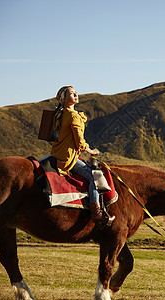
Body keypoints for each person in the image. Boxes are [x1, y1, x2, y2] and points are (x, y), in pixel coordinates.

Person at [51, 86, 115, 226]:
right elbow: (79, 140)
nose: (75, 94)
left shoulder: (61, 113)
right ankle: (96, 212)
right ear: (64, 98)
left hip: (58, 153)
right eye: (71, 93)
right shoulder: (73, 116)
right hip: (69, 157)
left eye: (75, 92)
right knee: (95, 177)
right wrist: (91, 151)